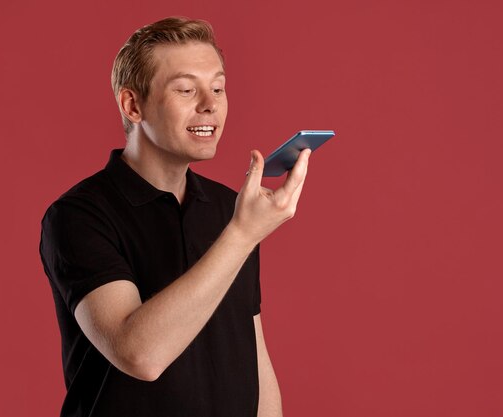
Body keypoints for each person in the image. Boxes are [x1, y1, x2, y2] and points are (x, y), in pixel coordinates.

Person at [39, 17, 310, 417]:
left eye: (218, 88)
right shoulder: (78, 215)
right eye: (186, 89)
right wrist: (241, 234)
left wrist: (241, 229)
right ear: (133, 105)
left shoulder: (228, 209)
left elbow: (253, 356)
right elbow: (139, 355)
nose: (210, 104)